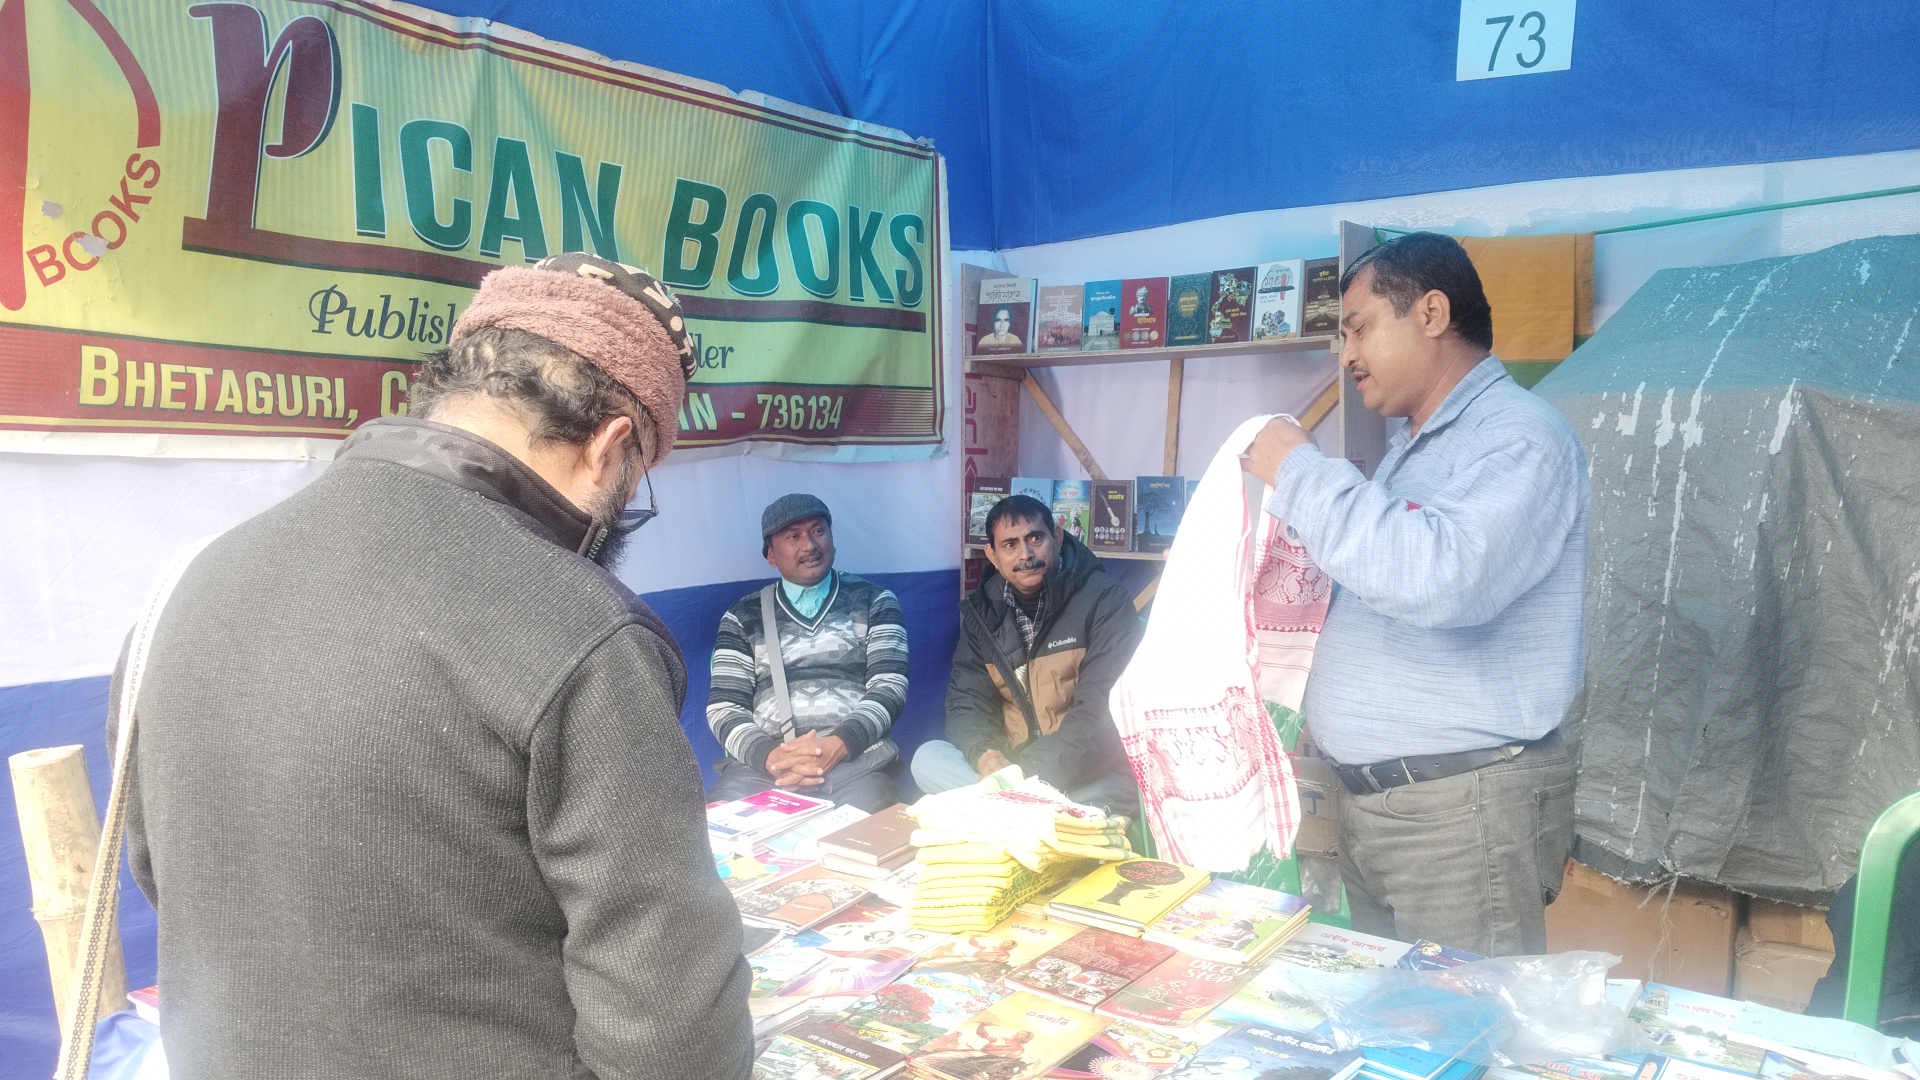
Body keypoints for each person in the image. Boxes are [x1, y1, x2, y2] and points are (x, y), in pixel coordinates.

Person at [112, 253, 752, 1079]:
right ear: (612, 444)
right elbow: (672, 1026)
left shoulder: (183, 591)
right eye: (638, 483)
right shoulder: (579, 628)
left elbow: (167, 877)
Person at [1240, 231, 1589, 956]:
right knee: (1401, 1035)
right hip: (1381, 807)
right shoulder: (1416, 446)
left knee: (1469, 1040)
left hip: (1458, 818)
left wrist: (1302, 474)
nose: (1347, 355)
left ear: (1431, 313)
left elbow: (1441, 577)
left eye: (1360, 327)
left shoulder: (1522, 437)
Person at [912, 494, 1143, 815]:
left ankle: (1004, 812)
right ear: (992, 555)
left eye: (1035, 538)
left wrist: (1026, 771)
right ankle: (1022, 812)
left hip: (1088, 770)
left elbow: (1100, 713)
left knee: (1119, 790)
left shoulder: (1103, 600)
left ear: (1057, 537)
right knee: (928, 757)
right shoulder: (984, 613)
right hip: (1012, 771)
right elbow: (967, 702)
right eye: (1010, 544)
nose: (1026, 554)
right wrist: (984, 755)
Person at [705, 494, 907, 812]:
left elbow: (890, 688)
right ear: (771, 554)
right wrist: (771, 756)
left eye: (818, 531)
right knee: (721, 835)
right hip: (765, 771)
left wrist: (837, 746)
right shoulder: (742, 616)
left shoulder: (876, 601)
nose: (810, 545)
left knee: (861, 843)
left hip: (854, 766)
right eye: (794, 537)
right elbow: (725, 707)